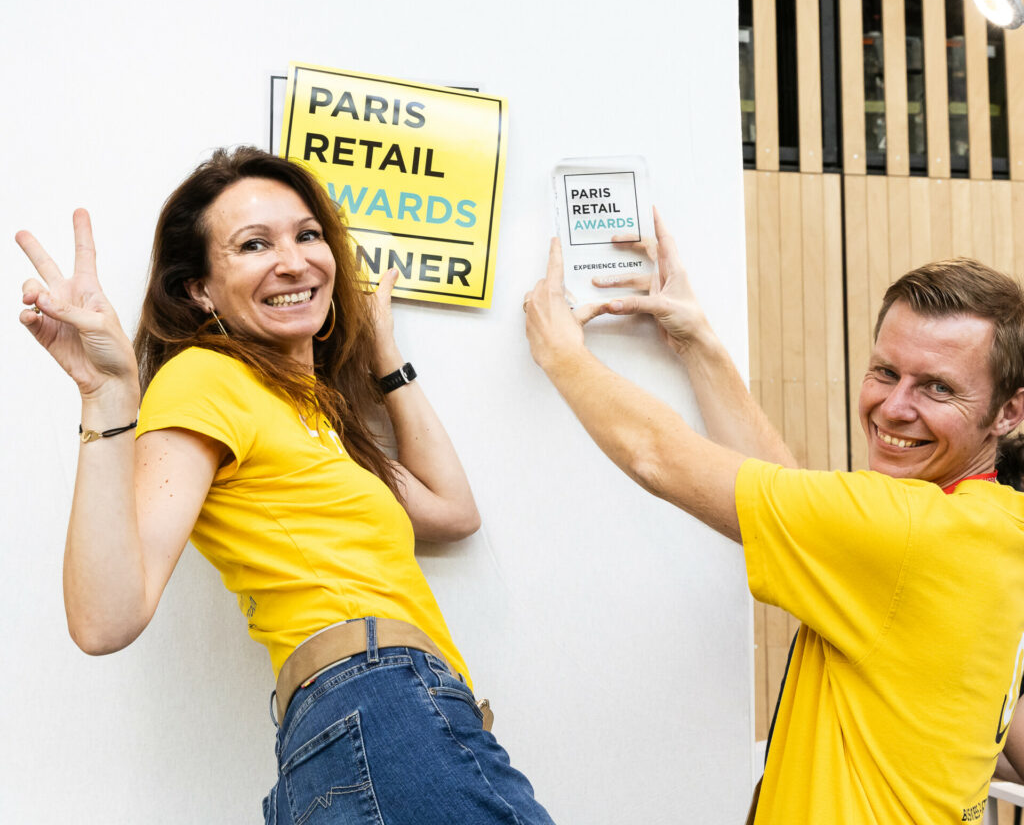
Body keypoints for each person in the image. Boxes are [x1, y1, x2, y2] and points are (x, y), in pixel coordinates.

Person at [18, 146, 556, 825]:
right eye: (253, 244)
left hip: (380, 722)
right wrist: (105, 395)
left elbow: (454, 512)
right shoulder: (206, 379)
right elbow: (105, 620)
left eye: (308, 235)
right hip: (382, 705)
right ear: (200, 290)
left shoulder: (317, 413)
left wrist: (383, 354)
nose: (295, 260)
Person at [523, 209, 1024, 824]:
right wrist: (699, 345)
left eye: (938, 388)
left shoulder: (912, 533)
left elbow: (658, 456)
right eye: (886, 373)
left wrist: (561, 355)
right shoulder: (993, 528)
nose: (894, 408)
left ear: (1009, 413)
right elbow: (796, 502)